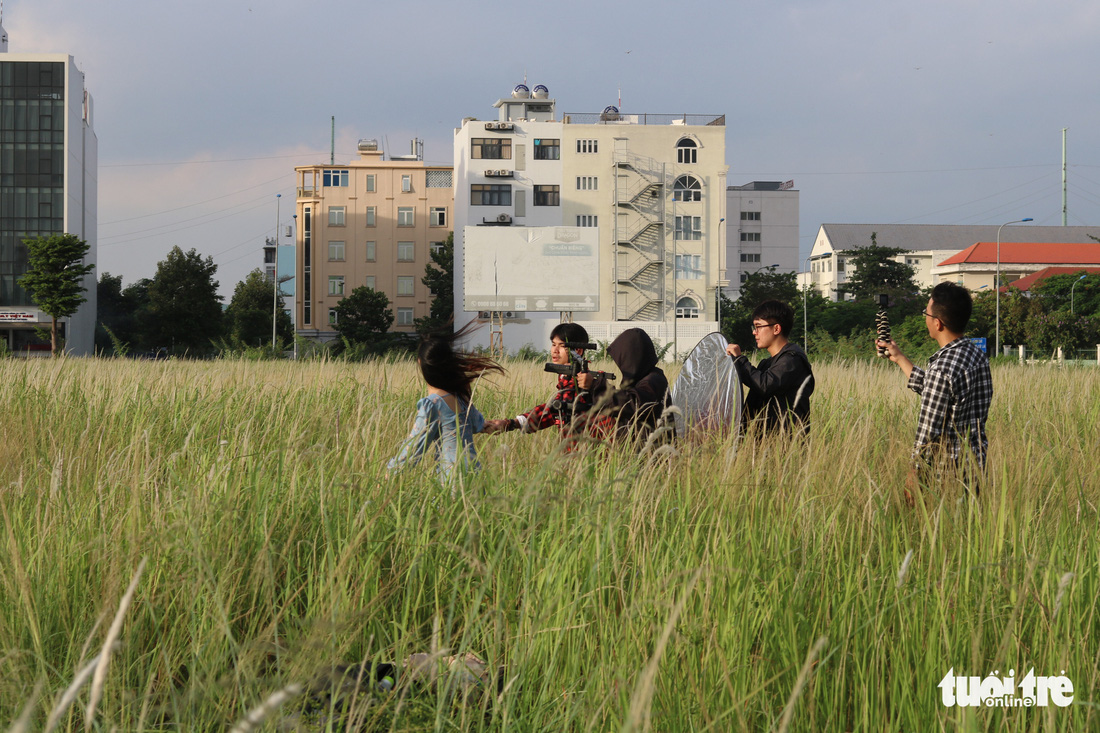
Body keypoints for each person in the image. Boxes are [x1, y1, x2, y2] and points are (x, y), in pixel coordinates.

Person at [876, 282, 993, 501]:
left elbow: (927, 433)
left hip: (947, 476)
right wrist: (899, 357)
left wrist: (914, 476)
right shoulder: (977, 356)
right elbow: (940, 393)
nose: (925, 318)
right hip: (977, 468)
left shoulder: (942, 368)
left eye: (926, 313)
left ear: (937, 323)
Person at [386, 323, 504, 482]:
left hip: (451, 479)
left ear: (420, 363)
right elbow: (478, 424)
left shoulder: (432, 404)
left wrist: (390, 475)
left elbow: (413, 449)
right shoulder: (461, 397)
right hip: (475, 476)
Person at [483, 322, 607, 436]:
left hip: (583, 446)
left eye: (561, 346)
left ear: (578, 350)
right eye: (553, 344)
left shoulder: (582, 379)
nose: (555, 350)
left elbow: (551, 411)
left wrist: (511, 423)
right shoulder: (565, 376)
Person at [725, 300, 815, 434]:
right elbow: (751, 407)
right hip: (766, 447)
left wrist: (740, 359)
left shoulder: (793, 360)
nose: (754, 333)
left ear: (776, 329)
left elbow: (765, 385)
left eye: (758, 326)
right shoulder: (768, 364)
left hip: (788, 448)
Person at [575, 328, 669, 444]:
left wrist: (595, 386)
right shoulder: (641, 380)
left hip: (650, 457)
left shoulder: (654, 381)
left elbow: (633, 404)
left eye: (623, 361)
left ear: (632, 358)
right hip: (636, 455)